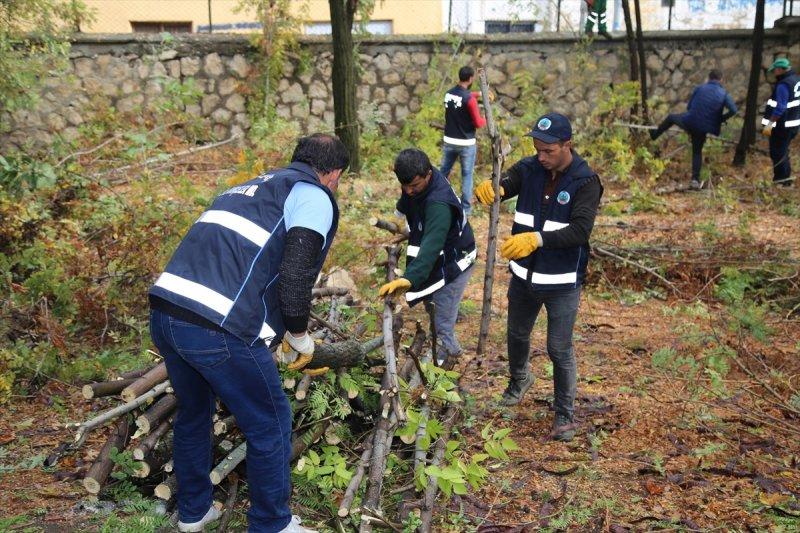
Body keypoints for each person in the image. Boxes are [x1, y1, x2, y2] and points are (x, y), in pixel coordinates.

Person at [148, 133, 349, 533]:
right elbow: (296, 273)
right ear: (334, 174)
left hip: (166, 314)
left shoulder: (246, 189)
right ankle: (271, 524)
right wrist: (299, 335)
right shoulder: (312, 195)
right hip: (217, 329)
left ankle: (193, 513)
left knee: (194, 413)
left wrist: (276, 331)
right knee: (270, 422)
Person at [474, 113, 603, 442]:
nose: (541, 156)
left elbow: (580, 230)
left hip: (561, 283)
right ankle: (519, 379)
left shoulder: (585, 181)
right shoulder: (530, 168)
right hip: (523, 277)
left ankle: (564, 414)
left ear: (567, 145)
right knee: (517, 335)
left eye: (548, 151)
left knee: (559, 348)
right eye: (537, 150)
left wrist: (537, 239)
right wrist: (495, 188)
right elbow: (508, 182)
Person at [379, 148, 477, 365]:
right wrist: (400, 215)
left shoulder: (439, 205)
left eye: (414, 186)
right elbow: (408, 196)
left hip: (456, 261)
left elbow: (431, 248)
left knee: (442, 317)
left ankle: (447, 355)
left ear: (428, 175)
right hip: (440, 257)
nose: (408, 190)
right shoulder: (416, 181)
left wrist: (410, 278)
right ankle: (440, 345)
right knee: (431, 302)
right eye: (404, 185)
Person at [649, 70, 738, 190]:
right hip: (705, 128)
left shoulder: (699, 88)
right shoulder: (724, 94)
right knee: (697, 152)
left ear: (709, 78)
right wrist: (721, 119)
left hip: (690, 121)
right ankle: (695, 180)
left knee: (671, 118)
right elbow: (734, 110)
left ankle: (654, 135)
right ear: (721, 80)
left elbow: (689, 107)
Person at [441, 65, 487, 215]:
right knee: (467, 176)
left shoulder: (448, 94)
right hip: (466, 144)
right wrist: (486, 119)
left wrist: (478, 94)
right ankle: (466, 210)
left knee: (443, 173)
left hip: (449, 141)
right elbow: (478, 123)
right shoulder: (470, 100)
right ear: (471, 78)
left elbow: (463, 96)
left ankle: (439, 199)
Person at [762, 57, 799, 186]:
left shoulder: (783, 85)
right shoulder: (796, 80)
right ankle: (785, 179)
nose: (774, 73)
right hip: (793, 124)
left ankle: (781, 180)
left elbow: (780, 108)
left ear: (779, 70)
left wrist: (769, 124)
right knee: (783, 151)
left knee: (777, 152)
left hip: (782, 126)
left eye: (774, 70)